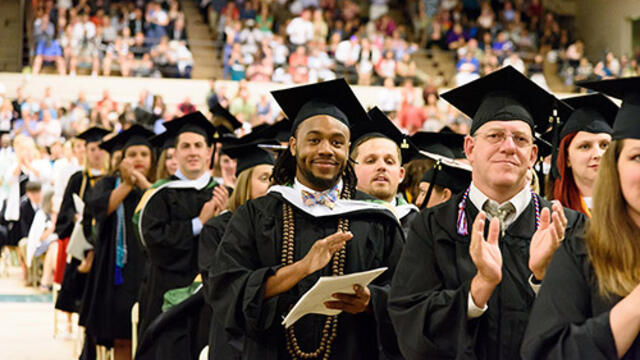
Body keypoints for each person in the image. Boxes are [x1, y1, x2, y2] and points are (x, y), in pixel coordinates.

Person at [388, 66, 587, 360]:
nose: (508, 147)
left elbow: (591, 331)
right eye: (495, 135)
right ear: (469, 148)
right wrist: (479, 288)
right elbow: (409, 321)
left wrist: (544, 278)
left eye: (520, 139)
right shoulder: (431, 225)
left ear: (533, 155)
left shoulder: (568, 226)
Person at [208, 79, 405, 359]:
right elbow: (226, 289)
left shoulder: (376, 219)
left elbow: (407, 294)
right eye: (314, 140)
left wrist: (372, 300)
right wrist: (301, 269)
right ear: (292, 145)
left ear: (347, 150)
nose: (326, 149)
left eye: (337, 142)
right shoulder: (256, 214)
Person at [521, 76, 640, 359]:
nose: (594, 155)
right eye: (638, 156)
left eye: (602, 144)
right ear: (616, 168)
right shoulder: (580, 252)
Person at [136, 112, 229, 338]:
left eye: (198, 145)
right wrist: (199, 222)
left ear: (209, 152)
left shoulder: (224, 194)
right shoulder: (160, 195)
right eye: (185, 146)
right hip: (166, 294)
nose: (193, 151)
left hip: (212, 300)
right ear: (175, 153)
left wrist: (225, 214)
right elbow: (153, 242)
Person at [81, 125, 155, 360]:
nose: (138, 159)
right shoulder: (107, 183)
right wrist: (127, 183)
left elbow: (158, 203)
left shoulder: (159, 185)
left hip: (149, 269)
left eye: (144, 154)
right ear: (122, 158)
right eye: (132, 154)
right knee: (121, 334)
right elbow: (103, 210)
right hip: (117, 271)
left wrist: (142, 182)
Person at [200, 141, 275, 360]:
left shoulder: (281, 228)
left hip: (271, 336)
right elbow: (218, 290)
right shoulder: (217, 229)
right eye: (263, 179)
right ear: (243, 183)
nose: (272, 185)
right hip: (231, 336)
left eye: (275, 179)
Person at [54, 127, 110, 317]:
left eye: (100, 149)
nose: (97, 153)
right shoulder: (78, 179)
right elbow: (65, 209)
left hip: (106, 243)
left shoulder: (113, 179)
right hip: (83, 244)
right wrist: (75, 217)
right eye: (92, 149)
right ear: (85, 152)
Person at [351, 106, 419, 234]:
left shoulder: (419, 225)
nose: (382, 166)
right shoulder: (338, 219)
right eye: (370, 161)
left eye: (389, 162)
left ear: (401, 174)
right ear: (351, 171)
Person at [548, 94, 617, 216]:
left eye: (604, 145)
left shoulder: (633, 212)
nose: (597, 154)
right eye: (585, 146)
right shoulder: (550, 215)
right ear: (567, 158)